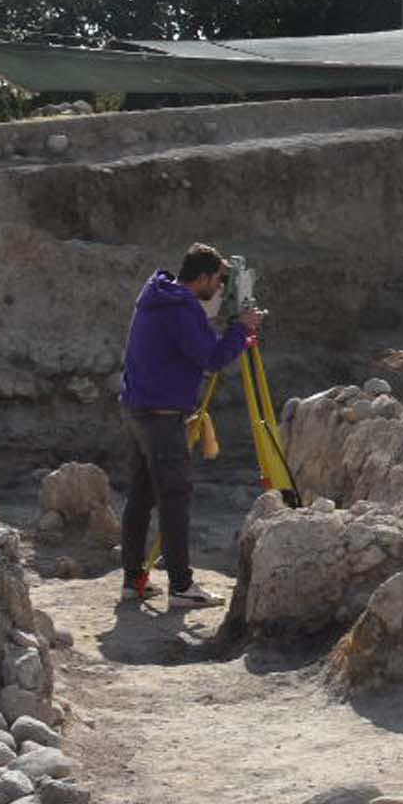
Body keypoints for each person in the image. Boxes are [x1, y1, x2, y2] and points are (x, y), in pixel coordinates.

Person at [117, 242, 265, 608]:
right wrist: (242, 330)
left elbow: (192, 343)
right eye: (216, 281)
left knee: (140, 497)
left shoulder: (159, 296)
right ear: (200, 278)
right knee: (174, 498)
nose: (218, 289)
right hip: (162, 417)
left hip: (138, 409)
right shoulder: (182, 308)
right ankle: (182, 586)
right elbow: (213, 358)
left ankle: (132, 580)